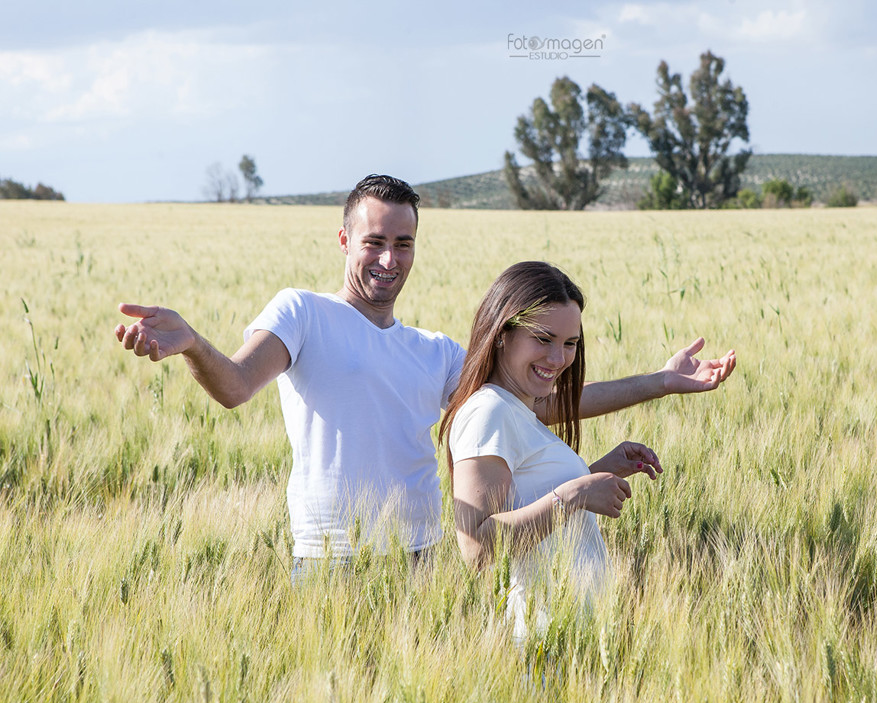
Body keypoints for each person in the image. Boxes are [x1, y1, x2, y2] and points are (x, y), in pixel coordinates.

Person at [115, 174, 736, 577]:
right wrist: (193, 343)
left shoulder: (434, 352)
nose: (390, 259)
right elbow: (234, 385)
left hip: (421, 558)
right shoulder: (303, 312)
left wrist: (660, 381)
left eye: (405, 243)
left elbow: (539, 406)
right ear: (343, 239)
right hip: (330, 560)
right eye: (375, 241)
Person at [442, 262, 670, 639]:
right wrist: (576, 493)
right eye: (543, 339)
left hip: (571, 631)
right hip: (539, 638)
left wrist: (594, 472)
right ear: (503, 333)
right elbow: (477, 549)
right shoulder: (489, 411)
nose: (558, 359)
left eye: (570, 344)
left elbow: (528, 500)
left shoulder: (517, 408)